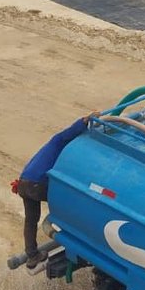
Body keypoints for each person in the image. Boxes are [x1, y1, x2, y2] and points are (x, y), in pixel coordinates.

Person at [12, 114, 95, 267]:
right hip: (37, 184)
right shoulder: (59, 143)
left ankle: (32, 255)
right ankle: (76, 236)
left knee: (31, 220)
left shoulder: (48, 147)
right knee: (69, 202)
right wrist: (84, 121)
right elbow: (67, 134)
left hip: (23, 183)